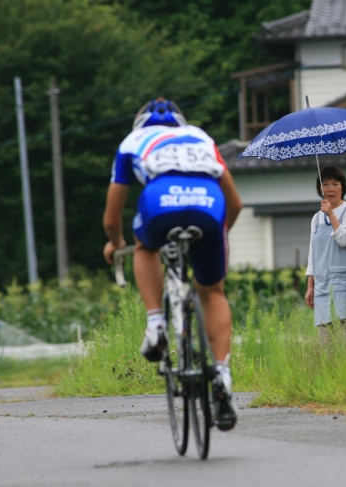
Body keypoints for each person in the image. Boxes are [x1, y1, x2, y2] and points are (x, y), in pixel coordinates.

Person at [102, 97, 242, 431]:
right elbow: (235, 203)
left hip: (160, 199)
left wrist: (116, 243)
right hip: (209, 204)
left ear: (139, 124)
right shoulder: (201, 137)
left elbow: (112, 215)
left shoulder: (131, 142)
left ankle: (156, 326)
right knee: (212, 291)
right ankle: (222, 374)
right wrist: (215, 236)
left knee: (145, 247)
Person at [305, 165, 346, 344]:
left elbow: (345, 240)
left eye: (335, 184)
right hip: (323, 282)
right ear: (320, 189)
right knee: (326, 338)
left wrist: (332, 215)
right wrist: (310, 285)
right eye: (325, 184)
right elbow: (313, 253)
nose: (330, 189)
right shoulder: (316, 218)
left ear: (343, 187)